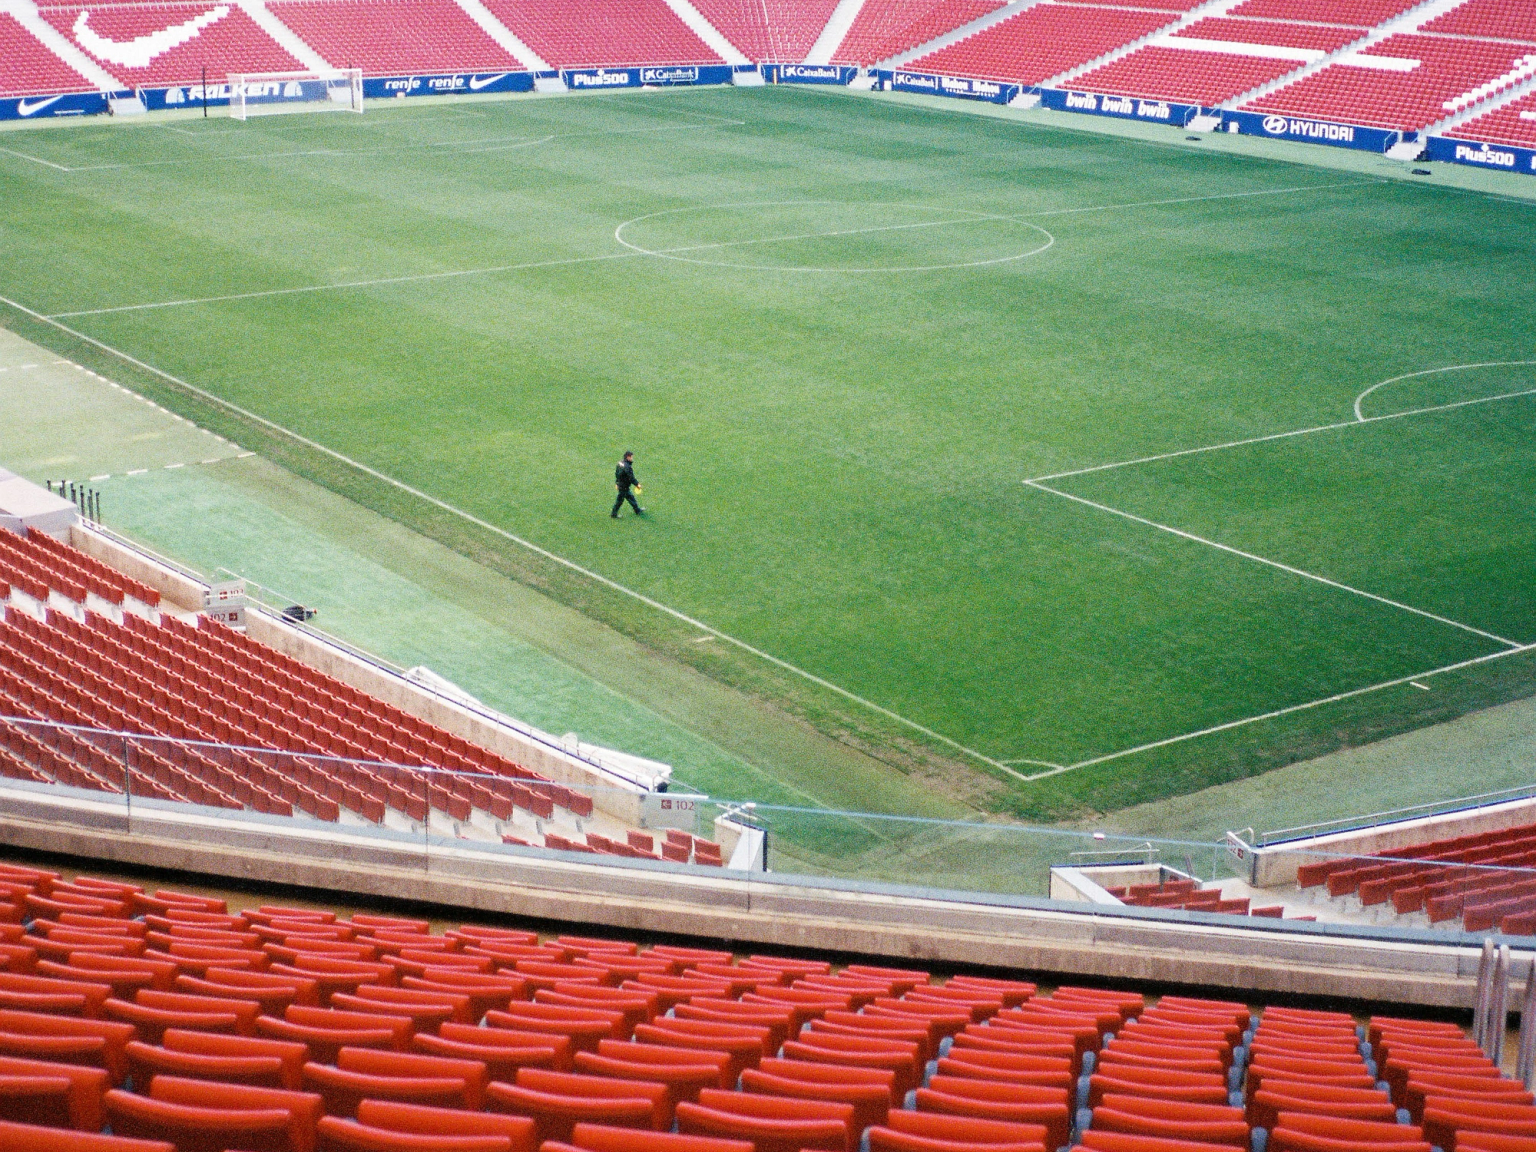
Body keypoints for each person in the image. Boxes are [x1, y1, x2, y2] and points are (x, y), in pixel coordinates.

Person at [611, 450, 644, 518]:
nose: (632, 459)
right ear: (628, 457)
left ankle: (637, 510)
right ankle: (613, 514)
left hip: (621, 485)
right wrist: (637, 484)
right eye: (631, 457)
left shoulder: (620, 463)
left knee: (630, 497)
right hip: (624, 487)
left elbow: (617, 473)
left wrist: (617, 483)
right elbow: (631, 478)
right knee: (620, 501)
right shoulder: (628, 467)